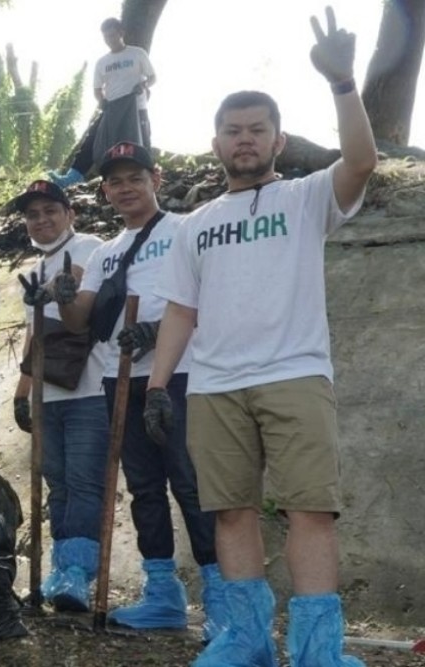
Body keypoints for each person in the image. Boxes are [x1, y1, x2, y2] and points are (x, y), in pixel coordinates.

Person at [145, 9, 376, 666]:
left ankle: (316, 649)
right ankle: (244, 640)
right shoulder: (193, 225)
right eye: (232, 131)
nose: (244, 140)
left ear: (278, 140)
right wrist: (159, 384)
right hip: (215, 385)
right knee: (230, 512)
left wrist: (342, 82)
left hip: (296, 373)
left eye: (257, 130)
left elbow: (361, 160)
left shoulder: (306, 198)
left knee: (310, 510)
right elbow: (181, 311)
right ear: (215, 142)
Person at [53, 142, 224, 639]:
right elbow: (80, 318)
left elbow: (206, 295)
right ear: (104, 191)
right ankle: (163, 594)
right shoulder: (105, 253)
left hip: (182, 373)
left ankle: (222, 599)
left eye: (134, 178)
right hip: (118, 377)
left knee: (190, 483)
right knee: (144, 487)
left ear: (156, 178)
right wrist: (65, 298)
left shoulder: (185, 230)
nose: (125, 188)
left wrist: (154, 331)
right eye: (114, 181)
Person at [10, 180, 110, 612]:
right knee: (59, 484)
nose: (42, 220)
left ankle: (78, 574)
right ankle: (58, 571)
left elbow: (78, 281)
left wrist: (50, 290)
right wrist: (22, 390)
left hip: (89, 388)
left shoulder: (90, 247)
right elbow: (35, 331)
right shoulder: (32, 268)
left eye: (51, 210)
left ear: (70, 214)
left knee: (87, 481)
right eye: (33, 214)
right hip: (48, 393)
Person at [50, 18, 155, 188]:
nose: (109, 40)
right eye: (106, 37)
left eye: (112, 36)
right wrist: (102, 101)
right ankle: (72, 177)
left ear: (121, 33)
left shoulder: (137, 54)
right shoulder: (102, 62)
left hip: (136, 107)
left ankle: (149, 176)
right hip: (112, 108)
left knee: (142, 140)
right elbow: (97, 89)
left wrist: (143, 85)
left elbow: (152, 77)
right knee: (93, 139)